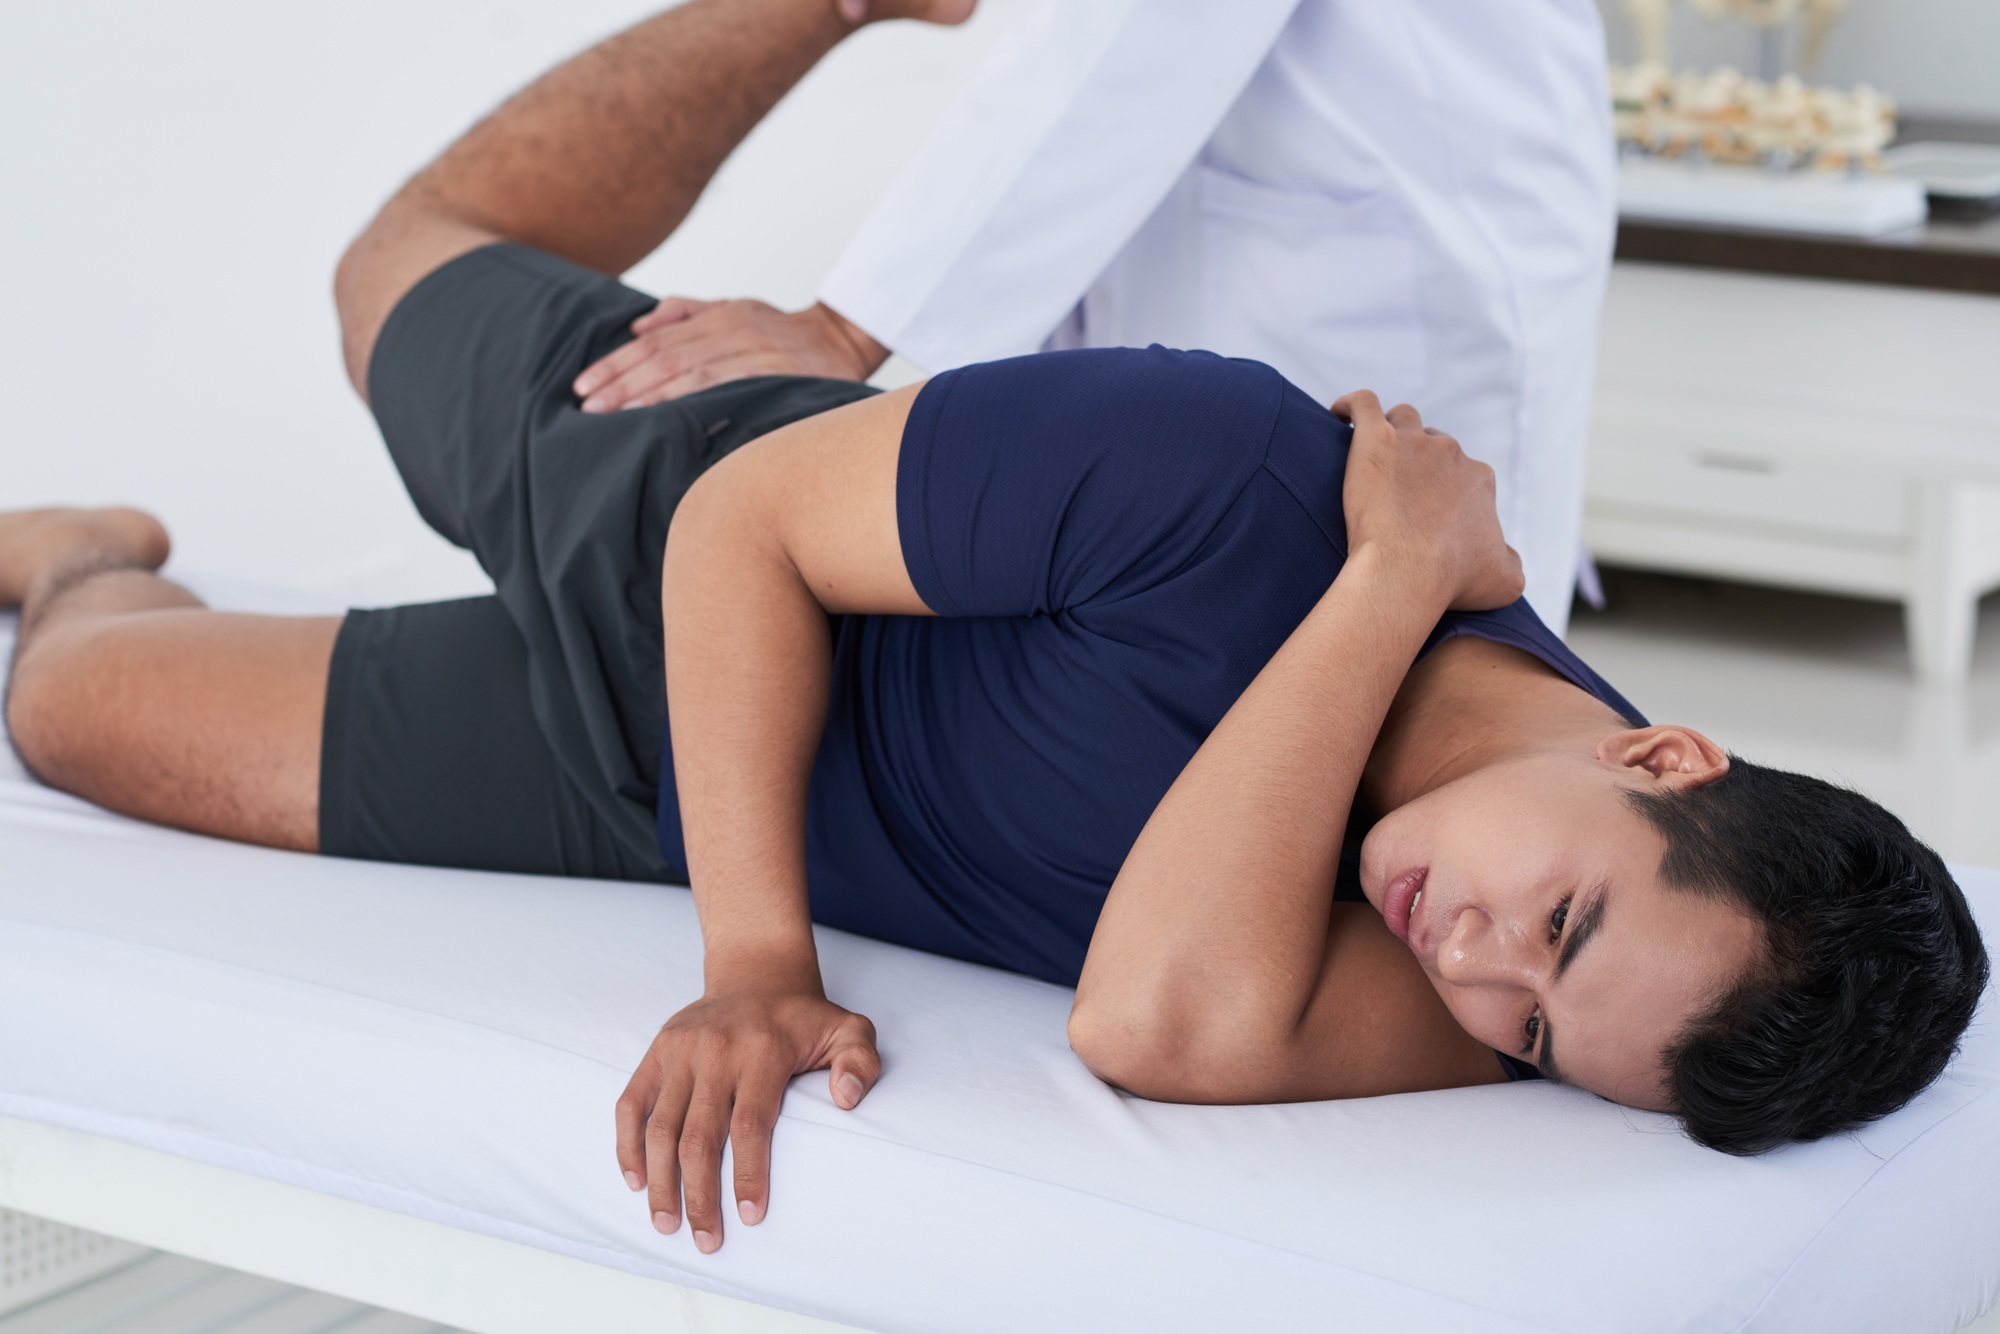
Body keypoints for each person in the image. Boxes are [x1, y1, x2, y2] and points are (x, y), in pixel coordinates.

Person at [1, 0, 1984, 1265]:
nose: (1473, 963)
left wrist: (1396, 589)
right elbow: (740, 530)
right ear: (1661, 754)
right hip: (683, 533)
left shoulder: (1542, 1003)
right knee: (388, 273)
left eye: (1534, 1029)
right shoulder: (1234, 471)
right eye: (1556, 923)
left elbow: (1150, 1028)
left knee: (73, 706)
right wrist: (755, 967)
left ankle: (87, 544)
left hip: (659, 789)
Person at [566, 0, 1616, 631]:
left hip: (1391, 223)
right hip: (1280, 193)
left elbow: (1138, 28)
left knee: (1390, 633)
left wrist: (851, 326)